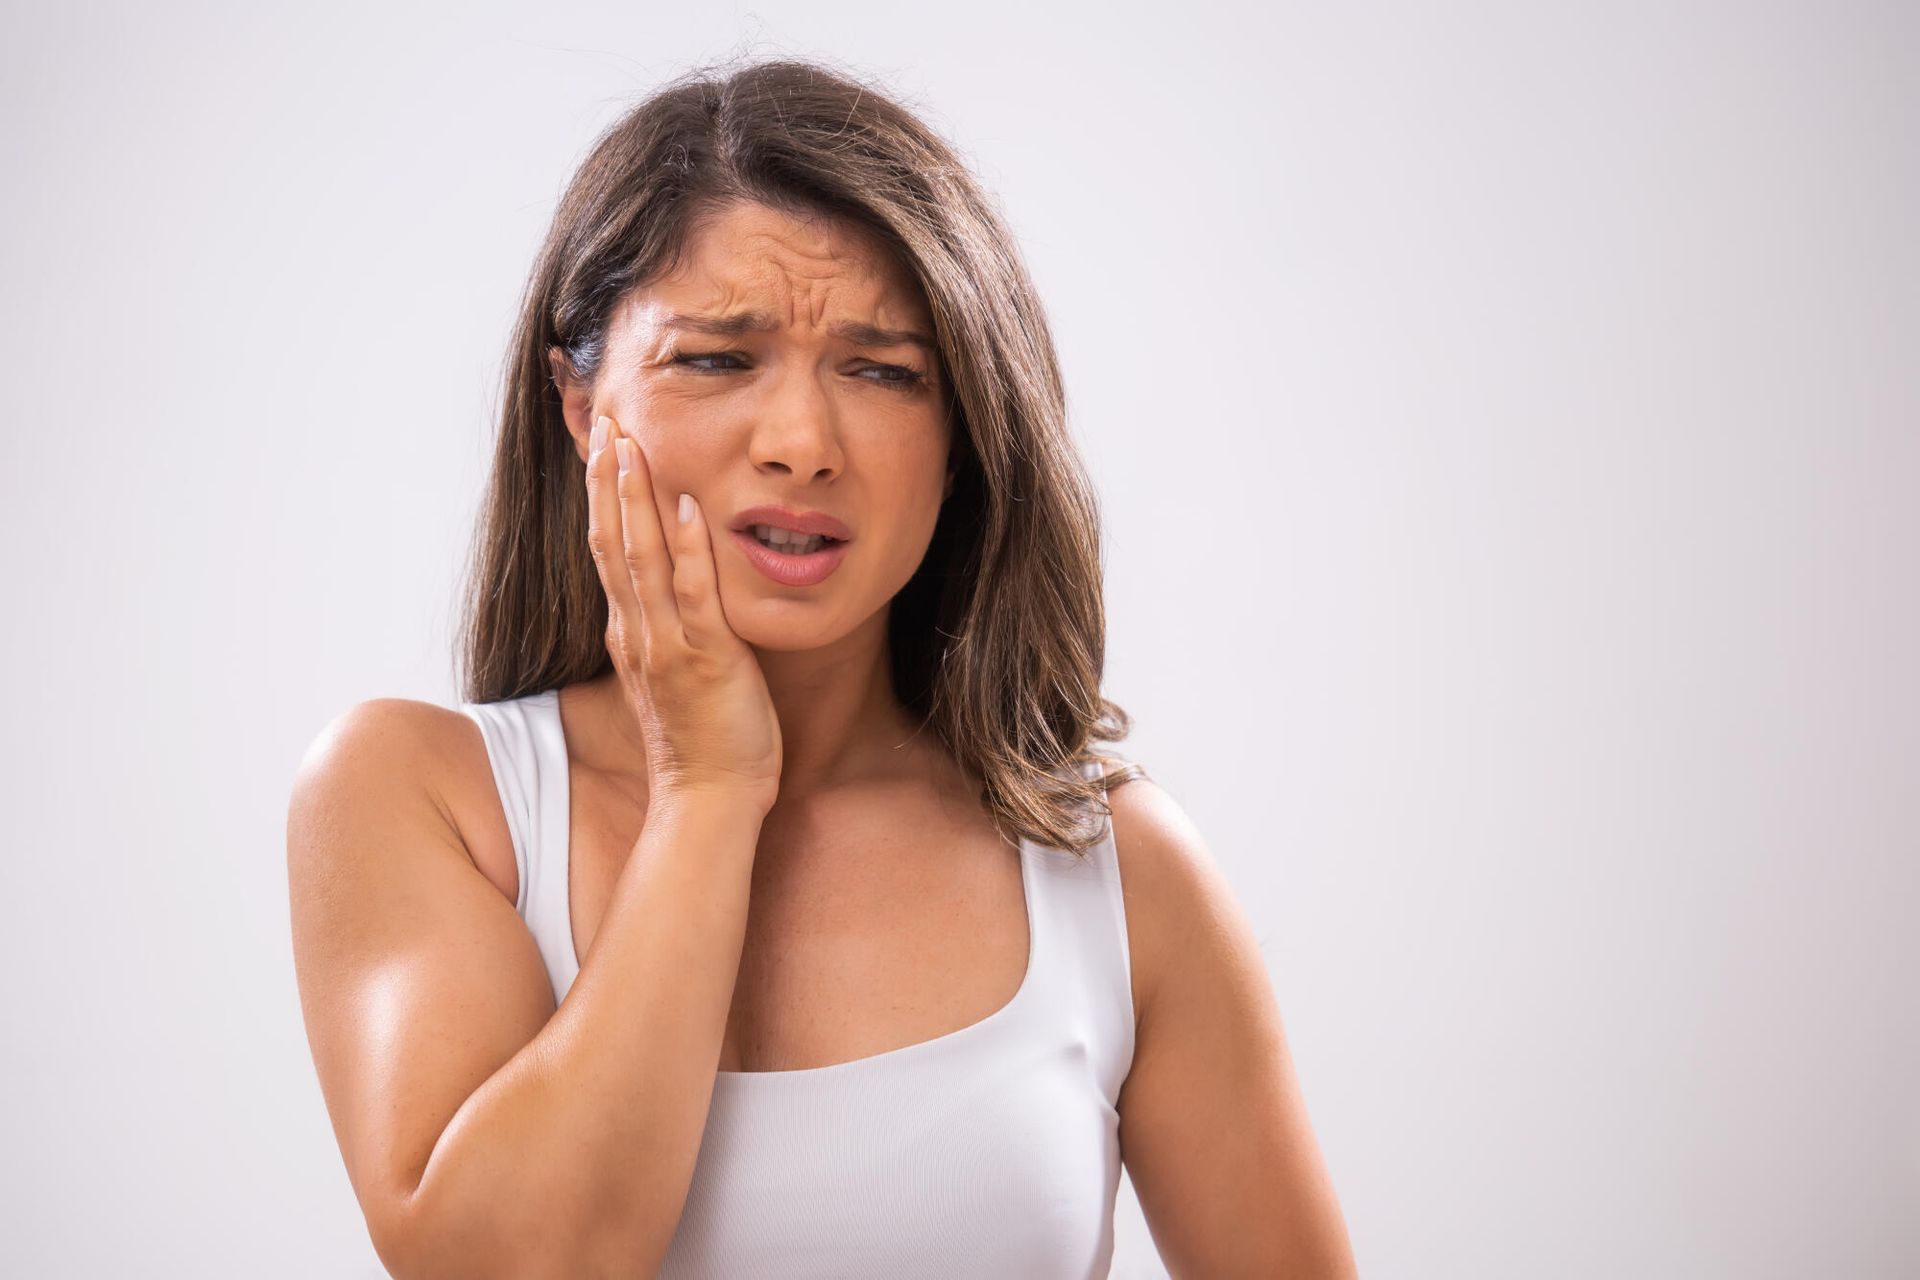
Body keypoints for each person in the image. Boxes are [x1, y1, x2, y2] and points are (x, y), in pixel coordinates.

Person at [288, 55, 1357, 1279]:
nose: (801, 444)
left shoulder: (1116, 873)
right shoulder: (424, 797)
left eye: (884, 370)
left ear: (962, 440)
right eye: (716, 357)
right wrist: (703, 787)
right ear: (581, 408)